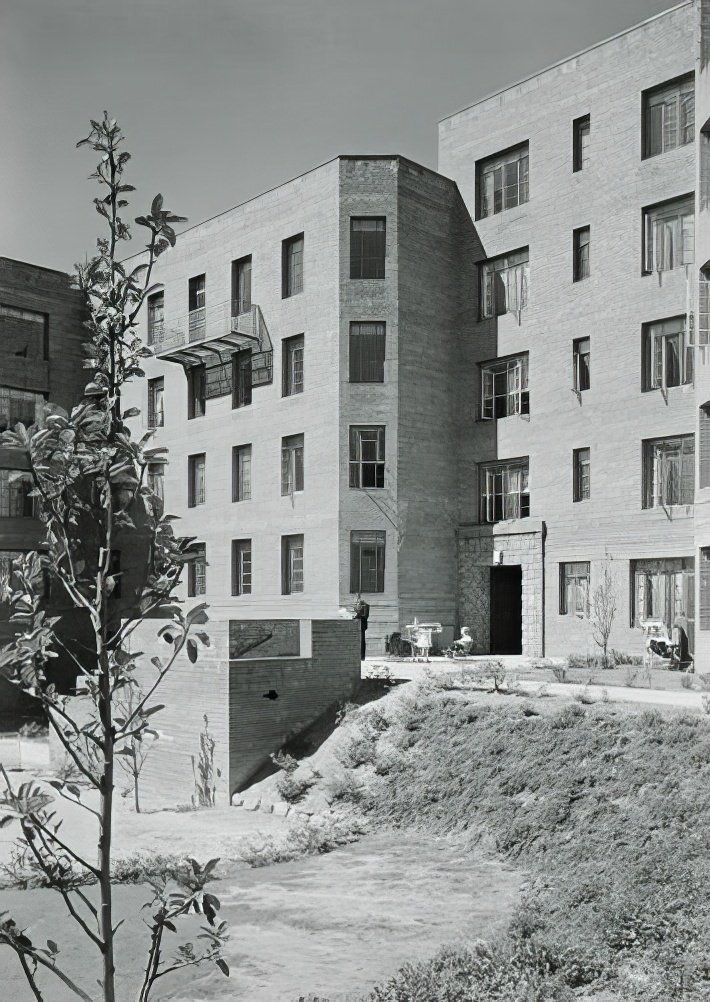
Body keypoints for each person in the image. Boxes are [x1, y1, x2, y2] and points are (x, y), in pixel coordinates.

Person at [353, 593, 370, 661]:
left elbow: (365, 616)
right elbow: (358, 614)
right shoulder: (358, 605)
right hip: (359, 623)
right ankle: (359, 656)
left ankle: (362, 656)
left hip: (362, 624)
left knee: (362, 640)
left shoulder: (365, 605)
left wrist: (358, 611)